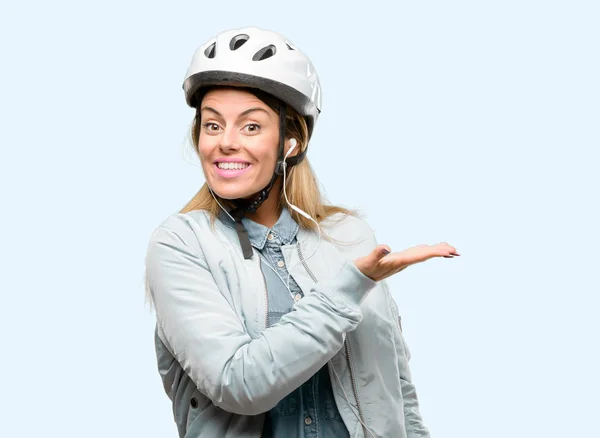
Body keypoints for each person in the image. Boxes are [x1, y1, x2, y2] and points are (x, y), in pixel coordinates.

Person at [145, 26, 459, 438]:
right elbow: (239, 385)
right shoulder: (180, 244)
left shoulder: (349, 236)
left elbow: (397, 388)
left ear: (291, 141)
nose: (225, 142)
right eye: (213, 125)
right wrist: (349, 286)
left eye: (251, 126)